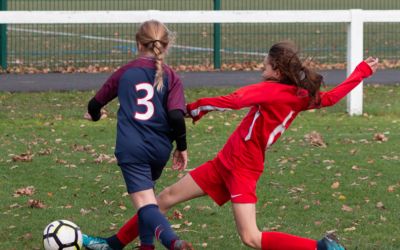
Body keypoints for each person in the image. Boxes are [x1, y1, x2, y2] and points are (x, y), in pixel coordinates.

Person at [83, 41, 379, 250]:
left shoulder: (271, 90)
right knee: (162, 199)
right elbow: (331, 98)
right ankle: (113, 243)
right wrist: (361, 72)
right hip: (225, 162)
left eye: (265, 63)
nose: (261, 66)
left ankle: (320, 248)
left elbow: (236, 101)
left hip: (243, 169)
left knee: (251, 237)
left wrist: (195, 108)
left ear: (276, 70)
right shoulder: (300, 95)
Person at [82, 20, 193, 250]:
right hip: (159, 148)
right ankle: (146, 246)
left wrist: (94, 115)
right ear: (165, 44)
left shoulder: (126, 72)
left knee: (146, 205)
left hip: (132, 148)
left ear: (137, 43)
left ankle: (173, 242)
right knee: (148, 199)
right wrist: (181, 146)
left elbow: (95, 103)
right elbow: (175, 116)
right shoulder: (172, 77)